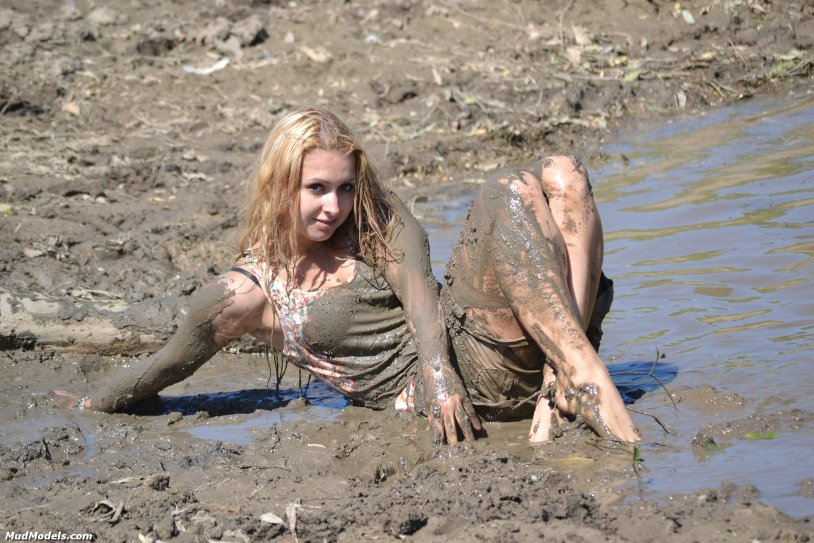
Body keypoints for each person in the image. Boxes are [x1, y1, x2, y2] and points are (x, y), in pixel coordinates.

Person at [53, 107, 639, 445]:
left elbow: (420, 296)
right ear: (278, 186)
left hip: (463, 354)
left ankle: (565, 377)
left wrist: (439, 368)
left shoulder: (373, 217)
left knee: (563, 173)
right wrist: (92, 402)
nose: (333, 206)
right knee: (508, 188)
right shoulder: (245, 294)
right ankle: (577, 376)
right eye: (315, 189)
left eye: (344, 187)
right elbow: (168, 364)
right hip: (470, 387)